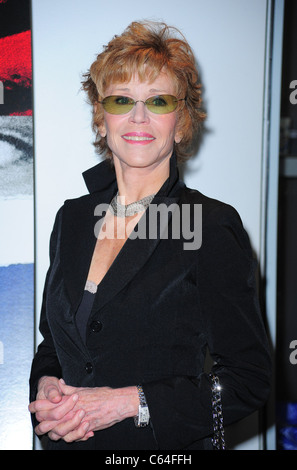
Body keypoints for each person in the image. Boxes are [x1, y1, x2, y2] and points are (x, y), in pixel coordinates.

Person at [29, 20, 271, 450]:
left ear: (180, 123)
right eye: (122, 100)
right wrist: (48, 385)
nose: (138, 116)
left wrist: (131, 403)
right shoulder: (72, 219)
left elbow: (250, 380)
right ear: (101, 120)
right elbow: (55, 342)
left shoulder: (207, 224)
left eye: (158, 101)